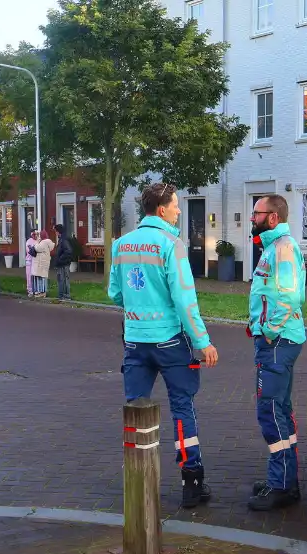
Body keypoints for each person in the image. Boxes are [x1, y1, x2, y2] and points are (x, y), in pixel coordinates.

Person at [108, 182, 219, 509]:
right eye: (175, 205)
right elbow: (185, 300)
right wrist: (203, 342)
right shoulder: (172, 244)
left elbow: (115, 293)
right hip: (170, 341)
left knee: (136, 408)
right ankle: (192, 482)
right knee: (182, 407)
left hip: (135, 341)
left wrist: (138, 304)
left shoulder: (122, 245)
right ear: (161, 210)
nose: (179, 210)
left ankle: (138, 480)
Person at [246, 193, 307, 511]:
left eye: (256, 213)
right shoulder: (274, 247)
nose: (251, 218)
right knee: (279, 410)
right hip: (279, 340)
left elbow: (287, 297)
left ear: (272, 217)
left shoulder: (281, 248)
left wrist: (267, 332)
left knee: (270, 411)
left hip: (277, 342)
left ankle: (281, 485)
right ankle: (286, 480)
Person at [52, 223, 73, 301]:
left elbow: (68, 251)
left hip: (63, 264)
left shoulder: (63, 240)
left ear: (58, 231)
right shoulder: (63, 239)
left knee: (62, 279)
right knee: (62, 279)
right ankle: (63, 295)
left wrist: (60, 259)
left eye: (56, 231)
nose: (55, 233)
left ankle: (65, 295)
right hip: (63, 263)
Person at [31, 230, 54, 297]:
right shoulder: (48, 242)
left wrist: (37, 241)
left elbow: (37, 248)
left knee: (40, 278)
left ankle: (42, 292)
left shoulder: (43, 242)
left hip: (41, 263)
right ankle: (42, 292)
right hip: (45, 263)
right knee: (43, 277)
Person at [24, 229, 38, 296]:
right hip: (29, 261)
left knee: (36, 276)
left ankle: (36, 290)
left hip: (36, 261)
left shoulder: (38, 241)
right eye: (34, 234)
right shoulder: (28, 242)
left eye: (36, 234)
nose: (35, 236)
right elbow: (30, 251)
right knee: (29, 276)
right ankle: (30, 290)